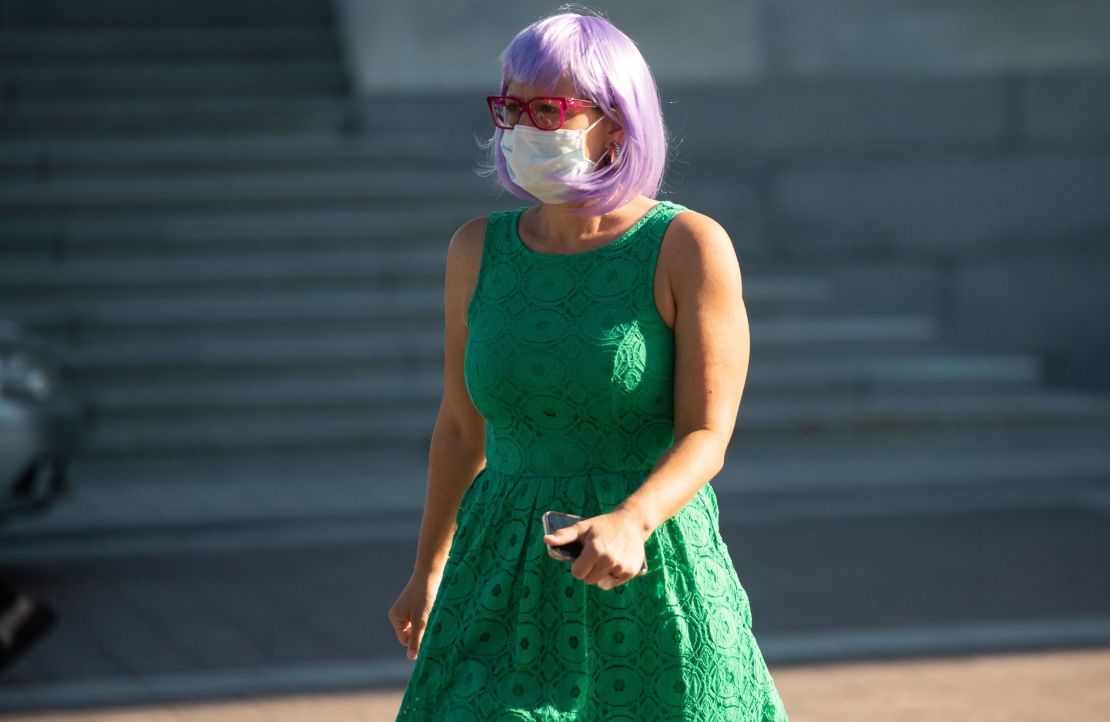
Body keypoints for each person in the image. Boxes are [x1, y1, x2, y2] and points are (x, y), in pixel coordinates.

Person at [388, 9, 789, 720]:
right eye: (511, 107)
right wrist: (428, 568)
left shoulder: (686, 244)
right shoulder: (476, 250)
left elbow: (707, 433)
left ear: (616, 121)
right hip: (499, 568)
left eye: (550, 109)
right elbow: (459, 428)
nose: (522, 127)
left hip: (649, 568)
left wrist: (632, 520)